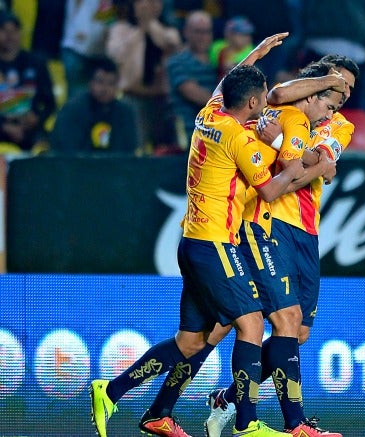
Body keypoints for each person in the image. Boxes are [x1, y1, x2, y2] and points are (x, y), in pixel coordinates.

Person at [89, 33, 306, 437]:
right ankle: (247, 424)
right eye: (262, 99)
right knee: (253, 325)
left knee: (192, 341)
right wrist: (291, 156)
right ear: (255, 103)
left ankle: (118, 393)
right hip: (215, 244)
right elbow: (272, 190)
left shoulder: (208, 114)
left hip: (191, 242)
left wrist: (257, 52)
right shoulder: (241, 139)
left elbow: (229, 82)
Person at [204, 55, 358, 437]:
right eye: (339, 83)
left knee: (298, 332)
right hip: (268, 223)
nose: (344, 93)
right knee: (267, 322)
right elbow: (279, 98)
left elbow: (318, 164)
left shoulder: (340, 124)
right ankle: (292, 423)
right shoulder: (284, 105)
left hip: (307, 231)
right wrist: (298, 154)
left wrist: (286, 146)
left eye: (350, 89)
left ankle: (227, 400)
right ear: (321, 80)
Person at [106, 0, 182, 153]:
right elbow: (116, 55)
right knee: (134, 147)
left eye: (155, 2)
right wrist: (141, 29)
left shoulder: (169, 30)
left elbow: (170, 44)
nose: (149, 6)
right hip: (132, 98)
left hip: (162, 100)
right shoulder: (120, 29)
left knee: (167, 150)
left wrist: (150, 23)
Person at [49, 57, 139, 155]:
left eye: (111, 83)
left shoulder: (125, 113)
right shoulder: (72, 111)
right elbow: (67, 151)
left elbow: (129, 151)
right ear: (90, 82)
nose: (105, 89)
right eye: (100, 82)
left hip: (115, 168)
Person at [0, 12, 55, 153]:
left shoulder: (36, 63)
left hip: (31, 130)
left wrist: (37, 118)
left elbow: (50, 103)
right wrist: (4, 126)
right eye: (4, 31)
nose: (9, 36)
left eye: (14, 31)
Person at [166, 10, 218, 143]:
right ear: (186, 32)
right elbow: (191, 92)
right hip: (190, 131)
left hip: (218, 130)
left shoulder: (218, 58)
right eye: (198, 32)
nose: (203, 36)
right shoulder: (177, 61)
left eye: (207, 32)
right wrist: (230, 104)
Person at [211, 16, 255, 80]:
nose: (247, 38)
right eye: (243, 34)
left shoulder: (251, 50)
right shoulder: (217, 46)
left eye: (248, 34)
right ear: (229, 34)